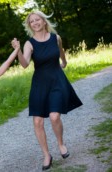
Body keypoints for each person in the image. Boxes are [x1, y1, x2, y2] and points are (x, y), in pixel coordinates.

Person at [16, 10, 83, 171]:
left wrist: (64, 63)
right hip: (39, 83)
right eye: (32, 21)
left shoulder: (56, 38)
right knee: (38, 121)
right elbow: (24, 64)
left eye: (37, 19)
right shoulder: (29, 43)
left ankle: (61, 144)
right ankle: (46, 155)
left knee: (54, 116)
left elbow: (61, 52)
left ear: (44, 21)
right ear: (29, 25)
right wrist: (17, 50)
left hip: (56, 81)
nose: (35, 23)